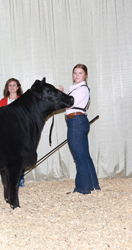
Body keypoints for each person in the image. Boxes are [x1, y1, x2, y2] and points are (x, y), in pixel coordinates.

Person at [59, 64, 100, 194]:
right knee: (85, 156)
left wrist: (61, 95)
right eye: (75, 73)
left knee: (79, 157)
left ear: (85, 75)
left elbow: (69, 103)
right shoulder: (77, 89)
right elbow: (70, 102)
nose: (77, 75)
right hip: (78, 121)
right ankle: (93, 185)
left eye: (80, 73)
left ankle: (82, 188)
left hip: (76, 121)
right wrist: (63, 94)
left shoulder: (82, 89)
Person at [0, 78, 25, 187]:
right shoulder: (2, 102)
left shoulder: (23, 101)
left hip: (20, 133)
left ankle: (20, 179)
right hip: (6, 134)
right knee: (6, 158)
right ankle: (8, 181)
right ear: (7, 88)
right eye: (10, 85)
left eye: (14, 85)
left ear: (18, 87)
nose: (12, 87)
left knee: (20, 157)